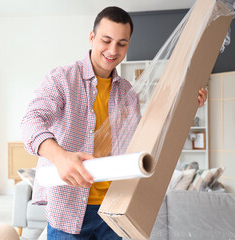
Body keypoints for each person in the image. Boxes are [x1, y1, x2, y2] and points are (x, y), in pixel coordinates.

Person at [21, 6, 207, 240]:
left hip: (115, 209)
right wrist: (59, 156)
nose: (112, 50)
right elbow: (31, 121)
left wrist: (187, 108)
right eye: (106, 40)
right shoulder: (62, 78)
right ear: (92, 37)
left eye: (121, 43)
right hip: (68, 208)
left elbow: (143, 141)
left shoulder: (127, 92)